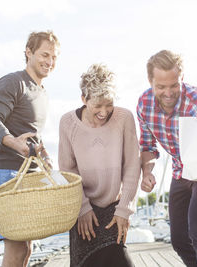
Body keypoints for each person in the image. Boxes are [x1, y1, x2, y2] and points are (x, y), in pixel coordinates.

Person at [137, 50, 197, 266]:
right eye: (161, 87)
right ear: (150, 81)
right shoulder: (144, 104)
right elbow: (148, 146)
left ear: (182, 77)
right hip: (180, 171)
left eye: (174, 85)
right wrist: (147, 171)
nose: (169, 92)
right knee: (179, 239)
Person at [0, 31, 60, 267]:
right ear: (28, 52)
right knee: (16, 250)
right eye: (45, 55)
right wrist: (14, 142)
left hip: (27, 176)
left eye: (54, 57)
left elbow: (32, 134)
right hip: (6, 175)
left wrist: (44, 155)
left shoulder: (42, 92)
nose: (50, 61)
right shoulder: (13, 82)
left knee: (26, 249)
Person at [58, 63, 140, 267]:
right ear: (84, 99)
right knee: (88, 262)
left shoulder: (124, 118)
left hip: (114, 207)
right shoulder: (67, 123)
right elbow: (68, 170)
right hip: (83, 206)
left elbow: (132, 165)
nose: (104, 112)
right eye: (97, 106)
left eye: (109, 104)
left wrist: (124, 210)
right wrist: (82, 208)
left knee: (119, 261)